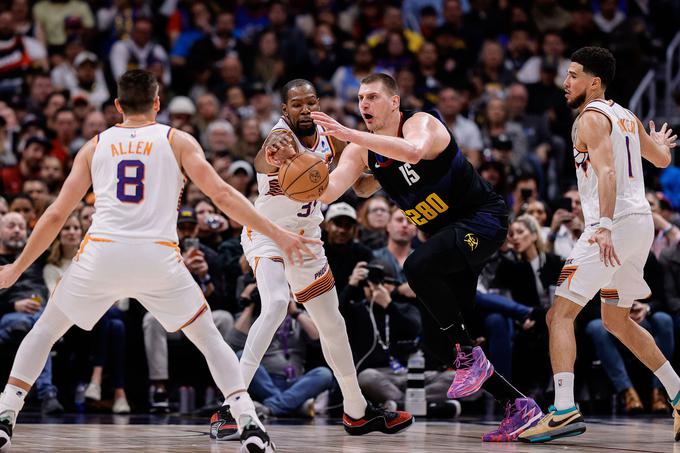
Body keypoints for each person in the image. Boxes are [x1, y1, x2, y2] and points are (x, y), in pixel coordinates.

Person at [0, 69, 318, 453]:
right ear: (157, 103)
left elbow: (54, 216)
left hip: (102, 251)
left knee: (45, 331)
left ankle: (6, 413)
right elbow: (222, 194)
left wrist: (16, 269)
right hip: (158, 255)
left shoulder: (94, 145)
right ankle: (248, 421)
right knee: (210, 340)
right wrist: (279, 234)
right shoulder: (177, 140)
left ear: (117, 106)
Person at [305, 72, 542, 442]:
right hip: (449, 241)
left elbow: (413, 152)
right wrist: (296, 178)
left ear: (394, 102)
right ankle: (519, 406)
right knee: (436, 343)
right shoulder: (361, 149)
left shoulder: (421, 123)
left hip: (483, 220)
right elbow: (329, 192)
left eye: (372, 97)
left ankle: (471, 356)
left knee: (415, 266)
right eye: (360, 99)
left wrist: (349, 135)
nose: (364, 104)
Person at [210, 79, 413, 442]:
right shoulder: (278, 140)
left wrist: (388, 172)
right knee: (273, 304)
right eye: (296, 105)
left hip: (306, 240)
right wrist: (272, 154)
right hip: (268, 234)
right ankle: (231, 407)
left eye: (310, 102)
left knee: (332, 324)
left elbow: (361, 184)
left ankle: (356, 410)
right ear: (284, 110)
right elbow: (265, 155)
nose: (304, 109)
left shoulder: (329, 135)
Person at [518, 47, 680, 443]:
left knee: (560, 314)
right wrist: (658, 142)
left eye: (572, 75)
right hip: (640, 223)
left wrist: (604, 225)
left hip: (614, 224)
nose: (565, 83)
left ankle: (563, 409)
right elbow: (659, 160)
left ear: (593, 81)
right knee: (616, 319)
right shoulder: (625, 114)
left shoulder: (590, 118)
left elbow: (607, 170)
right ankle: (678, 392)